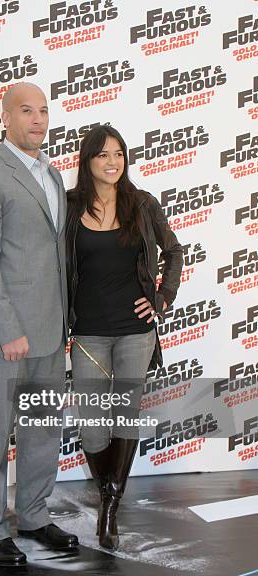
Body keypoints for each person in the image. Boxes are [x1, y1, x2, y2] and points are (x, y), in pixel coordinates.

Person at [0, 82, 78, 567]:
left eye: (44, 111)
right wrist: (8, 328)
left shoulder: (53, 177)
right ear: (4, 118)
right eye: (27, 111)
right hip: (2, 334)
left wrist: (67, 320)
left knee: (42, 430)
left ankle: (32, 514)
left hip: (50, 331)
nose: (38, 120)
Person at [66, 125, 183, 551]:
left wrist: (161, 298)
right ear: (88, 161)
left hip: (136, 332)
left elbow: (174, 251)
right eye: (103, 155)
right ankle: (106, 489)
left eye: (118, 154)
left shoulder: (142, 203)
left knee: (124, 415)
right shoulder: (69, 206)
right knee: (94, 425)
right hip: (88, 333)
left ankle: (109, 507)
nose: (112, 162)